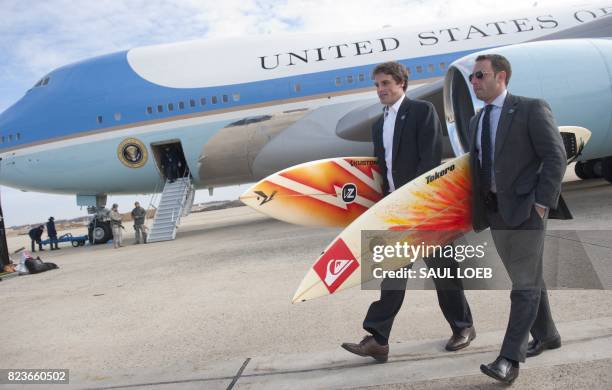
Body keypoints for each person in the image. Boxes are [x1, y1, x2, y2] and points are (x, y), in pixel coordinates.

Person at [341, 62, 474, 363]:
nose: (381, 90)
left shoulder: (421, 111)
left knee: (444, 270)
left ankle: (463, 327)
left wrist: (413, 201)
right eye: (376, 85)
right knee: (391, 274)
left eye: (386, 83)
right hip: (395, 209)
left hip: (423, 207)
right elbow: (383, 169)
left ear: (402, 83)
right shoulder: (379, 124)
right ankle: (378, 339)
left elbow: (428, 160)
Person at [468, 54, 566, 384]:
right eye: (473, 77)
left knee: (523, 284)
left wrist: (542, 203)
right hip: (496, 212)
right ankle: (548, 334)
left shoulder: (529, 108)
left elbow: (555, 156)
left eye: (480, 75)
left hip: (527, 210)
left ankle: (509, 358)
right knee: (528, 279)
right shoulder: (477, 120)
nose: (475, 82)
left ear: (502, 76)